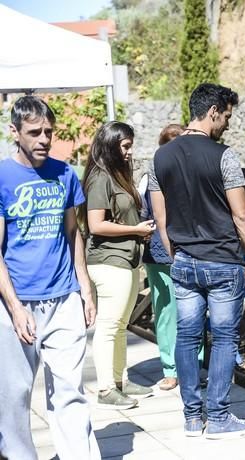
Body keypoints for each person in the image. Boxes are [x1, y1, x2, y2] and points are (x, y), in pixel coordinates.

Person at [149, 83, 245, 439]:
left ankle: (192, 419)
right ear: (213, 111)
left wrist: (174, 252)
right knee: (225, 338)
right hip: (223, 262)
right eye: (226, 116)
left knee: (186, 338)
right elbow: (241, 214)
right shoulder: (223, 155)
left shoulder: (160, 157)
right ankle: (220, 416)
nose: (227, 123)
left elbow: (160, 218)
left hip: (183, 261)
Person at [0, 95, 100, 459]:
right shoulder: (2, 177)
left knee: (71, 388)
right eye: (35, 132)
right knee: (14, 392)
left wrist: (85, 288)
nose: (44, 139)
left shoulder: (65, 174)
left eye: (49, 132)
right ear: (15, 132)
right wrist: (14, 307)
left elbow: (73, 234)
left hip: (63, 298)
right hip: (17, 301)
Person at [83, 121, 156, 409]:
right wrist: (137, 230)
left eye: (130, 145)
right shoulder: (100, 178)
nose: (129, 151)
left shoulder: (116, 175)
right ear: (112, 145)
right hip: (108, 260)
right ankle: (105, 390)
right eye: (125, 146)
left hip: (124, 259)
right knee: (109, 326)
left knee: (121, 325)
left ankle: (119, 382)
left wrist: (137, 232)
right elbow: (95, 225)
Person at [140, 123, 202, 391]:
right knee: (165, 311)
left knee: (194, 310)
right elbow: (144, 215)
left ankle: (195, 365)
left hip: (192, 250)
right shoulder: (149, 177)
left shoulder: (196, 173)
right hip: (158, 253)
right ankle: (170, 367)